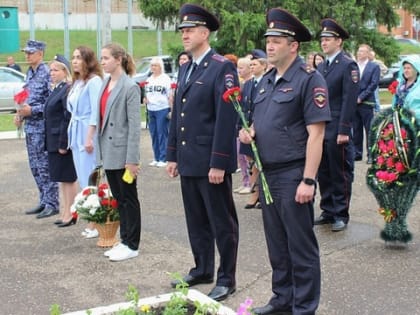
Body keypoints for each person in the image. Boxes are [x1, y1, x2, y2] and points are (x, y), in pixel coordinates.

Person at [239, 8, 330, 315]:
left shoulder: (309, 79)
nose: (270, 45)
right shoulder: (265, 81)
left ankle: (303, 307)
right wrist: (249, 133)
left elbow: (316, 135)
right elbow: (263, 124)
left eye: (277, 40)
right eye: (269, 39)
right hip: (268, 176)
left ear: (294, 46)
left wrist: (308, 180)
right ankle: (282, 300)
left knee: (300, 247)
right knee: (277, 246)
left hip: (294, 174)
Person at [166, 3, 239, 302]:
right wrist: (172, 155)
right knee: (195, 219)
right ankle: (202, 268)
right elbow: (178, 112)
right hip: (189, 158)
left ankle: (226, 277)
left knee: (221, 222)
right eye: (182, 30)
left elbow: (226, 116)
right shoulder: (186, 66)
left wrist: (219, 161)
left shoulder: (222, 66)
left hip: (211, 161)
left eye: (190, 30)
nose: (184, 34)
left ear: (205, 33)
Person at [97, 42, 141, 262]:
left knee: (128, 198)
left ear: (118, 59)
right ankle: (123, 240)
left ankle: (132, 244)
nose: (102, 62)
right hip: (109, 151)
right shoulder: (106, 83)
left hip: (123, 154)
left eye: (106, 58)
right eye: (102, 58)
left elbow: (134, 127)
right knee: (118, 199)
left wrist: (132, 160)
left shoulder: (129, 86)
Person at [315, 19, 359, 231]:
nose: (324, 43)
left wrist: (344, 130)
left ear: (339, 41)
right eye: (322, 39)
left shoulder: (347, 65)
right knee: (323, 170)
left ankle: (341, 213)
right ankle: (328, 209)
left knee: (339, 171)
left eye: (328, 39)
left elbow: (349, 100)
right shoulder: (322, 66)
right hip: (321, 127)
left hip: (337, 127)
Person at [16, 40, 59, 219]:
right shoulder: (30, 73)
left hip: (41, 127)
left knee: (44, 166)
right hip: (30, 127)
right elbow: (27, 95)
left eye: (30, 53)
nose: (27, 56)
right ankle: (43, 200)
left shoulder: (47, 73)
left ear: (40, 54)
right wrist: (19, 113)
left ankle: (52, 203)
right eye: (26, 52)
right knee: (35, 166)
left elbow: (52, 102)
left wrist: (32, 110)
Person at [67, 46, 103, 238]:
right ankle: (91, 220)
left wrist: (89, 137)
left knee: (91, 178)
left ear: (87, 60)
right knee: (83, 179)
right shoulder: (78, 82)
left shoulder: (94, 81)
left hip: (87, 134)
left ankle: (96, 223)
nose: (74, 61)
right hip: (76, 132)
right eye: (73, 57)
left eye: (79, 58)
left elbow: (96, 112)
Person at [44, 54, 79, 227]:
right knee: (61, 178)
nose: (52, 73)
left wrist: (64, 143)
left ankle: (71, 213)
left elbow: (67, 117)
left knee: (68, 177)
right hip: (53, 139)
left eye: (55, 70)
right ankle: (65, 211)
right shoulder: (57, 89)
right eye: (51, 70)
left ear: (65, 71)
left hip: (61, 140)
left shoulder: (66, 89)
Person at [240, 52, 268, 209]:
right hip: (247, 129)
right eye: (250, 65)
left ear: (263, 66)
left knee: (261, 162)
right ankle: (254, 192)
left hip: (261, 129)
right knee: (251, 162)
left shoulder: (267, 82)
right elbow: (244, 108)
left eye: (254, 64)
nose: (251, 67)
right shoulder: (248, 84)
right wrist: (240, 128)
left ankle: (261, 193)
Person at [353, 44, 380, 164]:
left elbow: (373, 84)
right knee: (356, 129)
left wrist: (361, 97)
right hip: (354, 102)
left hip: (367, 102)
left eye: (363, 51)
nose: (360, 53)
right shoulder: (353, 66)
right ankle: (357, 153)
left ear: (368, 53)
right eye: (359, 51)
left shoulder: (374, 67)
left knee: (369, 129)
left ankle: (371, 154)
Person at [144, 56, 172, 167]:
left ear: (160, 66)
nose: (153, 68)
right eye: (152, 65)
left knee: (162, 133)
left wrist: (171, 108)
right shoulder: (149, 79)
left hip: (162, 108)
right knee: (153, 133)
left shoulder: (165, 79)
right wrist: (145, 99)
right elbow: (147, 93)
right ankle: (156, 156)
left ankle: (163, 158)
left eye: (155, 65)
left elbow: (170, 94)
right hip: (151, 109)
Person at [392, 55, 420, 123]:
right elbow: (394, 102)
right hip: (399, 123)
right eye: (404, 68)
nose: (406, 71)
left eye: (409, 68)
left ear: (416, 69)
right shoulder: (401, 85)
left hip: (415, 124)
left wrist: (414, 114)